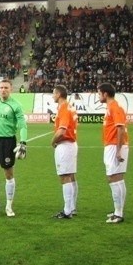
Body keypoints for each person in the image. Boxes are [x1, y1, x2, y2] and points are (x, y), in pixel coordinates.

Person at [0, 79, 27, 217]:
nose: (3, 90)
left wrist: (23, 142)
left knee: (8, 175)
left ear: (11, 89)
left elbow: (22, 125)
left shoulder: (16, 106)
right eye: (1, 87)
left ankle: (8, 205)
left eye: (6, 87)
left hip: (8, 142)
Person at [98, 82, 129, 224]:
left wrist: (117, 150)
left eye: (99, 93)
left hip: (114, 146)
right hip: (113, 145)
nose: (98, 96)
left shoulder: (114, 107)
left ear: (105, 94)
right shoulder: (111, 107)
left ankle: (118, 213)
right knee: (118, 178)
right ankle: (119, 211)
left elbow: (120, 129)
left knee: (113, 178)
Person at [50, 85, 78, 219]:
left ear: (59, 94)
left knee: (65, 176)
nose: (52, 96)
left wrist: (53, 141)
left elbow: (62, 130)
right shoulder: (68, 107)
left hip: (65, 145)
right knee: (71, 176)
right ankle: (72, 207)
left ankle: (67, 211)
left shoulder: (64, 108)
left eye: (53, 93)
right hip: (70, 144)